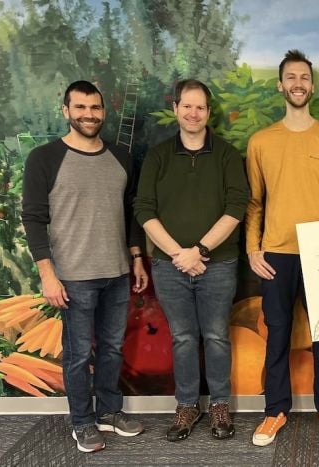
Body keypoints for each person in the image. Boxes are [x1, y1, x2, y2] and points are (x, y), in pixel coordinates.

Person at [21, 80, 148, 453]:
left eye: (95, 108)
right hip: (73, 277)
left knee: (111, 347)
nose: (89, 115)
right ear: (66, 111)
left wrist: (137, 258)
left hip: (117, 273)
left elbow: (130, 214)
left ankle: (109, 412)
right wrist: (47, 272)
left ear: (103, 112)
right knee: (77, 355)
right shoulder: (44, 159)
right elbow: (33, 218)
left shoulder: (121, 158)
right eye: (80, 108)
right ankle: (83, 422)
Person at [246, 49, 319, 447]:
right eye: (291, 77)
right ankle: (274, 411)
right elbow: (255, 202)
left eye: (304, 77)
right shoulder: (261, 142)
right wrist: (253, 249)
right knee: (277, 336)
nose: (298, 83)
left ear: (312, 85)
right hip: (275, 254)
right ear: (280, 85)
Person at [134, 79, 249, 442]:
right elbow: (144, 209)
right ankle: (187, 405)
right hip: (170, 267)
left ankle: (219, 405)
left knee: (216, 337)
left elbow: (236, 208)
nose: (193, 113)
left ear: (208, 113)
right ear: (176, 109)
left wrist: (198, 252)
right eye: (187, 106)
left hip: (218, 264)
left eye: (200, 107)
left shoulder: (228, 156)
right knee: (183, 338)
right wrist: (178, 255)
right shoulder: (158, 156)